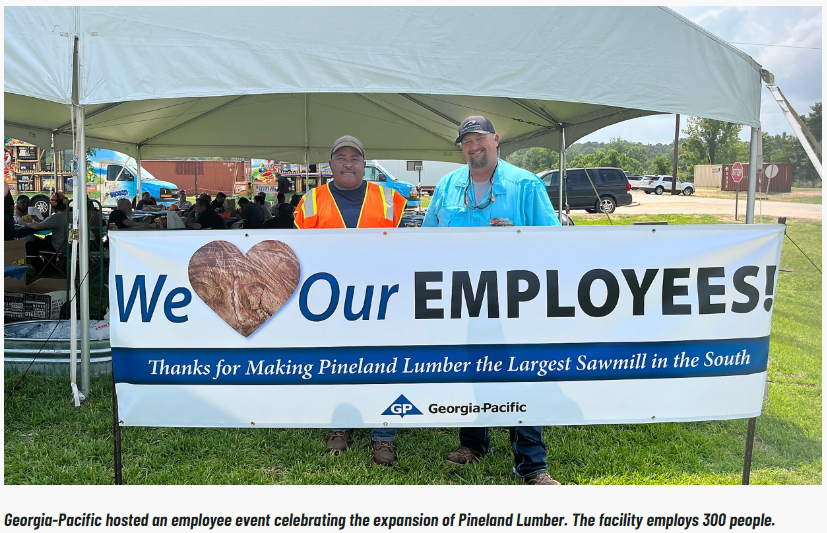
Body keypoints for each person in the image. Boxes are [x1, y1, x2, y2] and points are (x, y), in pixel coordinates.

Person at [423, 116, 561, 485]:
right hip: (462, 299)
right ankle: (474, 443)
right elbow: (427, 239)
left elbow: (556, 241)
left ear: (496, 139)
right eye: (467, 141)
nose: (473, 147)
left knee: (521, 375)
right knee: (473, 371)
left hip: (514, 301)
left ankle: (532, 465)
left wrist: (518, 235)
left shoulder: (525, 185)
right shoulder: (449, 185)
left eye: (480, 138)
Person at [294, 135, 407, 466]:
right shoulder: (311, 202)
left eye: (354, 158)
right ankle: (340, 426)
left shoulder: (390, 200)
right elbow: (302, 253)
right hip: (331, 301)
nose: (348, 163)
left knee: (383, 364)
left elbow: (407, 249)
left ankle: (383, 434)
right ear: (330, 164)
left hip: (382, 299)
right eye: (340, 157)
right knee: (337, 363)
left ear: (364, 163)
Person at [21, 192, 71, 271]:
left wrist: (23, 222)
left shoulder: (56, 217)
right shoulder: (71, 215)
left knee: (29, 246)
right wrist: (39, 220)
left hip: (59, 247)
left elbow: (36, 226)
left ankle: (42, 269)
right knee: (47, 239)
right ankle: (50, 266)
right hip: (70, 247)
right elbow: (47, 223)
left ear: (53, 204)